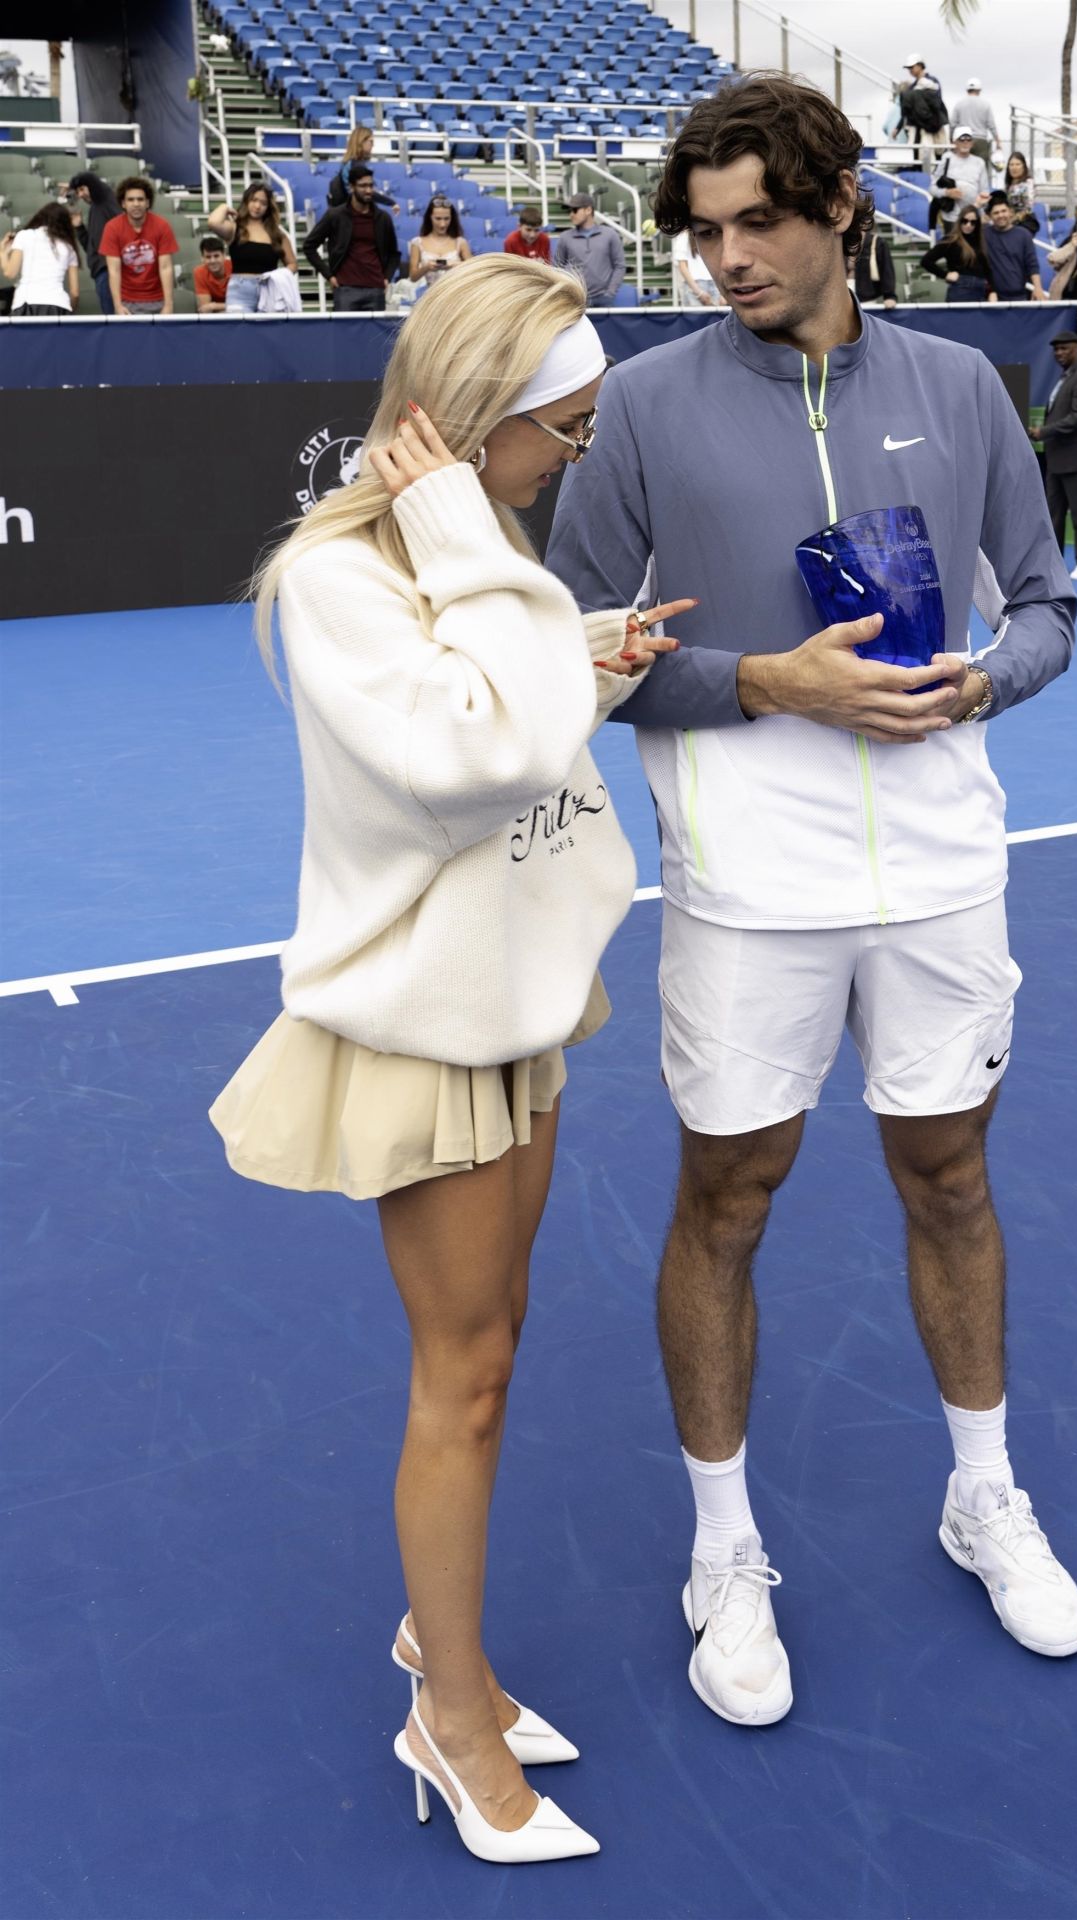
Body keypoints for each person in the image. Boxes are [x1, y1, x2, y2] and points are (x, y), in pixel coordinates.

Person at [547, 73, 1077, 1733]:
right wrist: (761, 683)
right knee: (732, 1194)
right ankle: (726, 1548)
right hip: (748, 885)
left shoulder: (962, 387)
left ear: (843, 203)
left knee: (949, 1174)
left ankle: (980, 1493)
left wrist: (987, 680)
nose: (728, 259)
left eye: (759, 223)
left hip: (941, 872)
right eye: (705, 233)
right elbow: (568, 650)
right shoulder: (641, 414)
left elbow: (1053, 605)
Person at [209, 253, 692, 1864]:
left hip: (523, 1005)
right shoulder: (354, 573)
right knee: (464, 1379)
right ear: (478, 426)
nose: (577, 459)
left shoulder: (474, 550)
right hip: (431, 1030)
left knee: (494, 1343)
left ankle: (442, 1647)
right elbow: (472, 756)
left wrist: (594, 653)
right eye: (561, 431)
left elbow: (517, 708)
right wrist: (481, 554)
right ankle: (451, 1718)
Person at [1029, 331, 1077, 580]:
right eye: (1056, 349)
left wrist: (1043, 432)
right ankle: (1054, 562)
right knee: (1053, 514)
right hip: (1057, 457)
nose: (1059, 353)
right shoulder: (1065, 377)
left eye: (1065, 348)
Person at [302, 164, 400, 312]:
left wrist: (387, 278)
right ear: (352, 187)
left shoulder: (383, 218)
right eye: (363, 186)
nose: (368, 190)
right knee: (344, 335)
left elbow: (394, 253)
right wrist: (329, 275)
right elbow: (309, 246)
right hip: (345, 288)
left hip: (375, 288)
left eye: (370, 185)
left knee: (374, 336)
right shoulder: (335, 215)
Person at [208, 180, 298, 314]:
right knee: (239, 332)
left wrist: (277, 276)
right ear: (246, 201)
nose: (257, 206)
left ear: (268, 207)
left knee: (267, 334)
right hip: (240, 292)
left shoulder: (277, 234)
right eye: (254, 200)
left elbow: (292, 264)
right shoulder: (235, 228)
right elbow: (213, 222)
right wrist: (225, 207)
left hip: (269, 291)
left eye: (263, 203)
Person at [98, 175, 177, 316]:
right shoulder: (112, 228)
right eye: (131, 199)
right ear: (123, 203)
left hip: (158, 300)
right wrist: (117, 305)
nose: (136, 204)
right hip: (127, 302)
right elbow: (114, 271)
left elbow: (165, 267)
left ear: (147, 203)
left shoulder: (162, 226)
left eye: (140, 199)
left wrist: (168, 304)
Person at [0, 201, 79, 314]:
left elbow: (10, 273)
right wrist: (70, 310)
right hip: (59, 304)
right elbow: (75, 293)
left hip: (27, 302)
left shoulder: (25, 235)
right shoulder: (69, 248)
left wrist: (2, 253)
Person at [60, 171, 118, 313]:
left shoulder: (104, 199)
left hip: (111, 270)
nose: (80, 195)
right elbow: (92, 248)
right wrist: (79, 227)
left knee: (117, 322)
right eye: (78, 191)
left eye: (82, 189)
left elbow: (89, 178)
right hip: (101, 272)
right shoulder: (95, 210)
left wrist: (72, 185)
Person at [553, 194, 625, 305]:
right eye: (570, 211)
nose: (571, 214)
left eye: (575, 210)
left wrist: (610, 293)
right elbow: (557, 269)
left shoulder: (610, 234)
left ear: (588, 210)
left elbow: (619, 266)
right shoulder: (564, 238)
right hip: (576, 300)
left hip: (604, 300)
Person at [919, 206, 997, 302]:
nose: (968, 225)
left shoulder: (980, 241)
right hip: (961, 292)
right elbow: (926, 261)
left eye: (973, 222)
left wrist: (992, 291)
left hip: (981, 291)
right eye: (965, 221)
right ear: (959, 221)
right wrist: (945, 275)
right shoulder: (951, 240)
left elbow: (986, 270)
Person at [984, 194, 1046, 301]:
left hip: (1020, 296)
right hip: (994, 298)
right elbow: (963, 227)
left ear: (1010, 212)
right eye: (996, 213)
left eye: (1004, 211)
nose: (1000, 215)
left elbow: (1032, 264)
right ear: (990, 216)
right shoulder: (984, 234)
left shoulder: (1023, 234)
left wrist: (1038, 288)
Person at [326, 125, 400, 213]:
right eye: (371, 141)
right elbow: (365, 192)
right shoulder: (357, 165)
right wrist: (391, 202)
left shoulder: (349, 162)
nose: (373, 145)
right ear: (361, 142)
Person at [931, 126, 990, 233]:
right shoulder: (947, 159)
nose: (965, 142)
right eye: (962, 139)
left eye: (969, 139)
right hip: (951, 218)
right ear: (955, 142)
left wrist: (980, 203)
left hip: (973, 216)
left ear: (972, 143)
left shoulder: (979, 162)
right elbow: (932, 188)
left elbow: (984, 190)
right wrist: (947, 192)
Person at [409, 195, 473, 286]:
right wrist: (426, 268)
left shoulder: (461, 242)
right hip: (431, 293)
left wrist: (456, 265)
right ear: (430, 217)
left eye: (446, 219)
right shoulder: (417, 243)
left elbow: (473, 271)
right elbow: (413, 277)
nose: (442, 224)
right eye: (438, 219)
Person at [897, 56, 947, 165]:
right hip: (919, 130)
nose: (910, 70)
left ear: (920, 66)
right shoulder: (912, 88)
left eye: (912, 67)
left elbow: (937, 103)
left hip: (934, 127)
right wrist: (898, 127)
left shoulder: (933, 82)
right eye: (908, 68)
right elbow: (906, 112)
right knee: (921, 157)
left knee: (938, 154)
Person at [671, 224, 725, 306]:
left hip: (714, 284)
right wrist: (698, 292)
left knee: (715, 318)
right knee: (695, 318)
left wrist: (722, 293)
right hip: (695, 286)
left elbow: (719, 263)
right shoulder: (683, 238)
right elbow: (683, 267)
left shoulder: (710, 236)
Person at [850, 225, 896, 308]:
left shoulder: (877, 242)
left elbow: (886, 270)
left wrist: (889, 296)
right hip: (841, 295)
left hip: (866, 299)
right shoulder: (838, 240)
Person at [961, 77, 1000, 166]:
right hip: (981, 140)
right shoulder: (985, 104)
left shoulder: (960, 104)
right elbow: (991, 124)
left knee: (964, 167)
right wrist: (997, 141)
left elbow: (953, 124)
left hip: (964, 139)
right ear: (979, 90)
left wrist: (952, 140)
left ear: (967, 90)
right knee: (981, 169)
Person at [193, 234, 232, 312]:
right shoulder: (199, 272)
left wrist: (214, 306)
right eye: (208, 257)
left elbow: (243, 305)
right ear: (202, 258)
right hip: (216, 315)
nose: (212, 261)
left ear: (224, 255)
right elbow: (205, 308)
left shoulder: (236, 267)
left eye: (216, 256)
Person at [1003, 151, 1038, 231]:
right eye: (1011, 165)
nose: (1014, 167)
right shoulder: (1008, 185)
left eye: (1018, 164)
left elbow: (1029, 208)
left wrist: (1012, 221)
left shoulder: (1028, 183)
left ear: (1024, 166)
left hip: (1024, 224)